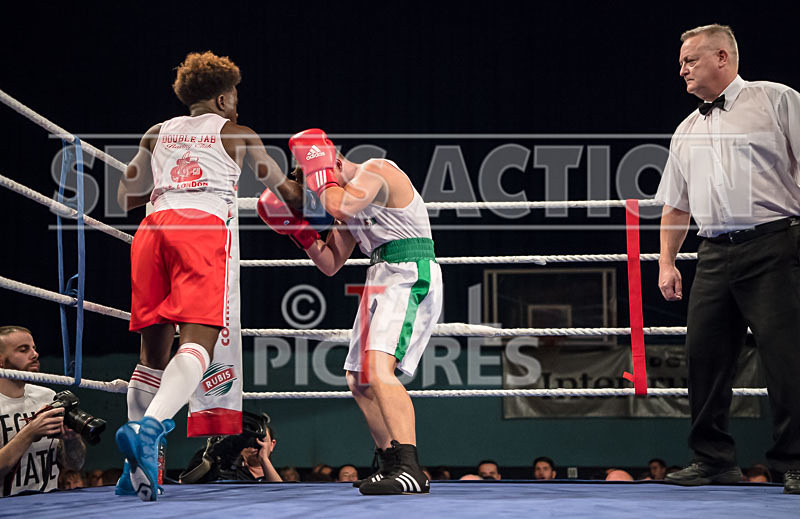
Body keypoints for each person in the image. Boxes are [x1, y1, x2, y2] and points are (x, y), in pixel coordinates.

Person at [115, 51, 303, 502]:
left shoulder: (156, 132)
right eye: (235, 95)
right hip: (200, 230)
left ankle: (132, 473)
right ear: (222, 98)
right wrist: (307, 178)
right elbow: (289, 198)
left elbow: (126, 198)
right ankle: (150, 428)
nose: (237, 104)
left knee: (151, 352)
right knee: (199, 340)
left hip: (151, 230)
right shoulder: (239, 134)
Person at [656, 24, 800, 495]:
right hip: (714, 252)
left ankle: (795, 461)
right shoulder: (687, 127)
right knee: (704, 357)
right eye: (681, 62)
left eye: (690, 61)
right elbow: (676, 206)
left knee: (787, 358)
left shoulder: (776, 100)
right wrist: (666, 262)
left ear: (723, 57)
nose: (682, 70)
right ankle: (713, 459)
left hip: (776, 245)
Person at [258, 129, 443, 495]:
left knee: (377, 369)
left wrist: (320, 175)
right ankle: (390, 461)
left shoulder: (376, 171)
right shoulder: (343, 203)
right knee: (358, 378)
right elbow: (330, 263)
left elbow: (339, 205)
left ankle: (411, 468)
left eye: (319, 186)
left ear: (333, 163)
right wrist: (300, 231)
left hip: (408, 269)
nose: (320, 199)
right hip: (379, 276)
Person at [0, 326, 86, 496]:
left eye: (34, 348)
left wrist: (72, 440)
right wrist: (30, 432)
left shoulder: (47, 396)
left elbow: (74, 465)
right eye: (23, 350)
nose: (34, 354)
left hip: (48, 503)